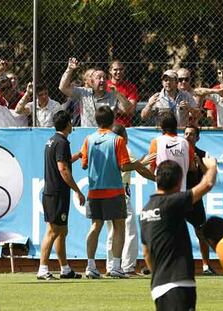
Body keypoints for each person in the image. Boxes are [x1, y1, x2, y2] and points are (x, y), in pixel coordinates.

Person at [140, 158, 218, 311]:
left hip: (158, 287)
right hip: (179, 283)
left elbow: (146, 253)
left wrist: (159, 274)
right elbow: (207, 184)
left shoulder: (145, 211)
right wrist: (212, 167)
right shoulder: (172, 203)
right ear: (178, 183)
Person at [81, 106, 149, 279]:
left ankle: (90, 266)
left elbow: (84, 164)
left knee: (96, 226)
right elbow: (125, 166)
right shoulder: (117, 140)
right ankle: (117, 266)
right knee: (119, 226)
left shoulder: (89, 139)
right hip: (114, 190)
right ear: (112, 121)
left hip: (94, 190)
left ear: (96, 120)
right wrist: (141, 162)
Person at [37, 110, 85, 280]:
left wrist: (77, 156)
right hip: (56, 193)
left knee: (62, 231)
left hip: (55, 193)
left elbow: (63, 161)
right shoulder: (62, 142)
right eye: (71, 122)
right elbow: (62, 168)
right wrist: (78, 191)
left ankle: (65, 269)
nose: (72, 125)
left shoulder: (52, 141)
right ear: (67, 124)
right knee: (52, 231)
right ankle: (42, 269)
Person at [105, 124, 155, 276]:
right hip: (121, 195)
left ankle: (111, 266)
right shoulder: (124, 149)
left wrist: (141, 162)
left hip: (106, 193)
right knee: (129, 230)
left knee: (111, 231)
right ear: (123, 137)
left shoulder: (106, 149)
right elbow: (138, 168)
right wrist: (155, 177)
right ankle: (127, 266)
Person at [59, 57, 133, 127]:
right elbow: (63, 87)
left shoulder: (113, 95)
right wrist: (69, 69)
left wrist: (118, 93)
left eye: (104, 78)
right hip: (87, 135)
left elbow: (128, 109)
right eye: (98, 78)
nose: (102, 80)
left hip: (107, 134)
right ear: (91, 81)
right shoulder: (83, 92)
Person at [184, 125, 216, 275]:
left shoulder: (202, 154)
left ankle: (205, 266)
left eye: (191, 134)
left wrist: (199, 162)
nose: (187, 136)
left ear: (197, 138)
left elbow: (208, 173)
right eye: (186, 133)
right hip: (178, 197)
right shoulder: (178, 151)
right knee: (168, 231)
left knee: (201, 232)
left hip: (194, 198)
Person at [148, 111, 194, 192]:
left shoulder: (156, 142)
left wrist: (140, 165)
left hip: (163, 194)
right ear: (175, 125)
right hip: (181, 193)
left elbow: (151, 169)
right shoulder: (186, 143)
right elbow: (191, 167)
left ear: (161, 126)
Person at [106, 60, 139, 127]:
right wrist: (122, 107)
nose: (118, 72)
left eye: (121, 69)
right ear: (110, 71)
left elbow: (131, 111)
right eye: (115, 69)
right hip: (106, 125)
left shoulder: (131, 87)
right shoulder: (104, 85)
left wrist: (112, 108)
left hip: (124, 126)